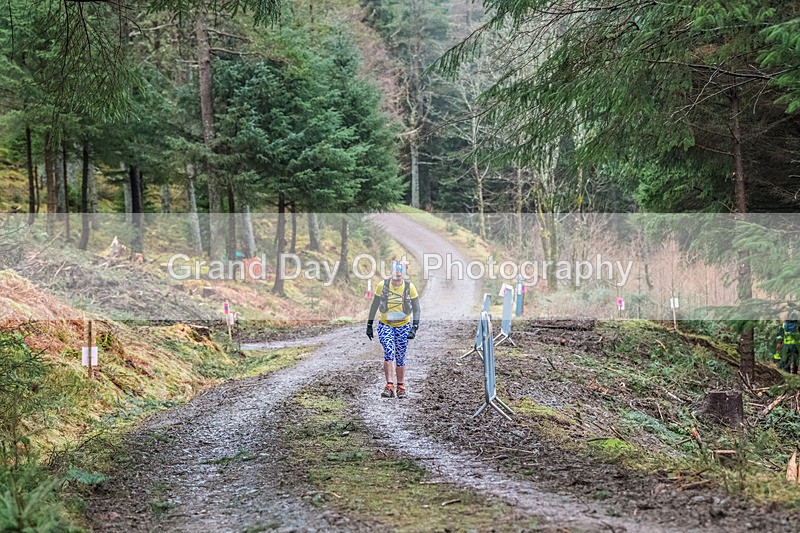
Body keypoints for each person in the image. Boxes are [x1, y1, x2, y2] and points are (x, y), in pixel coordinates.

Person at [366, 260, 420, 398]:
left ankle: (401, 387)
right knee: (389, 351)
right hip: (386, 324)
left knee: (400, 356)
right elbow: (374, 305)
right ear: (391, 272)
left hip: (403, 325)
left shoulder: (410, 287)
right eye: (395, 270)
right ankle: (389, 386)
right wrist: (369, 325)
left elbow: (416, 309)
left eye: (400, 270)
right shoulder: (382, 286)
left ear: (404, 273)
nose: (397, 273)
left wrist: (414, 327)